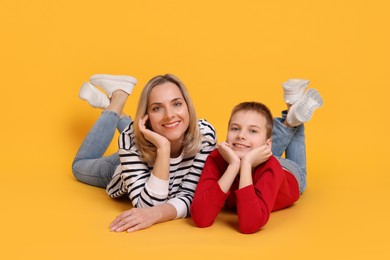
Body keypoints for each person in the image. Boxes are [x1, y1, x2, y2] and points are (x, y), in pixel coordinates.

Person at [72, 73, 216, 233]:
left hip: (147, 138)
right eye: (157, 108)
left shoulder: (205, 135)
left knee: (161, 126)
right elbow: (147, 206)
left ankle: (110, 104)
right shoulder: (131, 142)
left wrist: (158, 214)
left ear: (188, 106)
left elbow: (191, 196)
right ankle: (117, 101)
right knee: (78, 166)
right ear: (146, 117)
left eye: (176, 104)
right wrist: (163, 148)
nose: (169, 114)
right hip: (125, 168)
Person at [190, 79, 323, 234]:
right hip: (258, 155)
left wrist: (245, 164)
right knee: (252, 145)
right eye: (235, 128)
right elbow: (201, 218)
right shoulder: (216, 157)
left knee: (300, 172)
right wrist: (234, 166)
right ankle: (291, 115)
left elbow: (250, 224)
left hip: (289, 173)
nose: (241, 135)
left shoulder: (271, 168)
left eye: (252, 130)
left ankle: (293, 120)